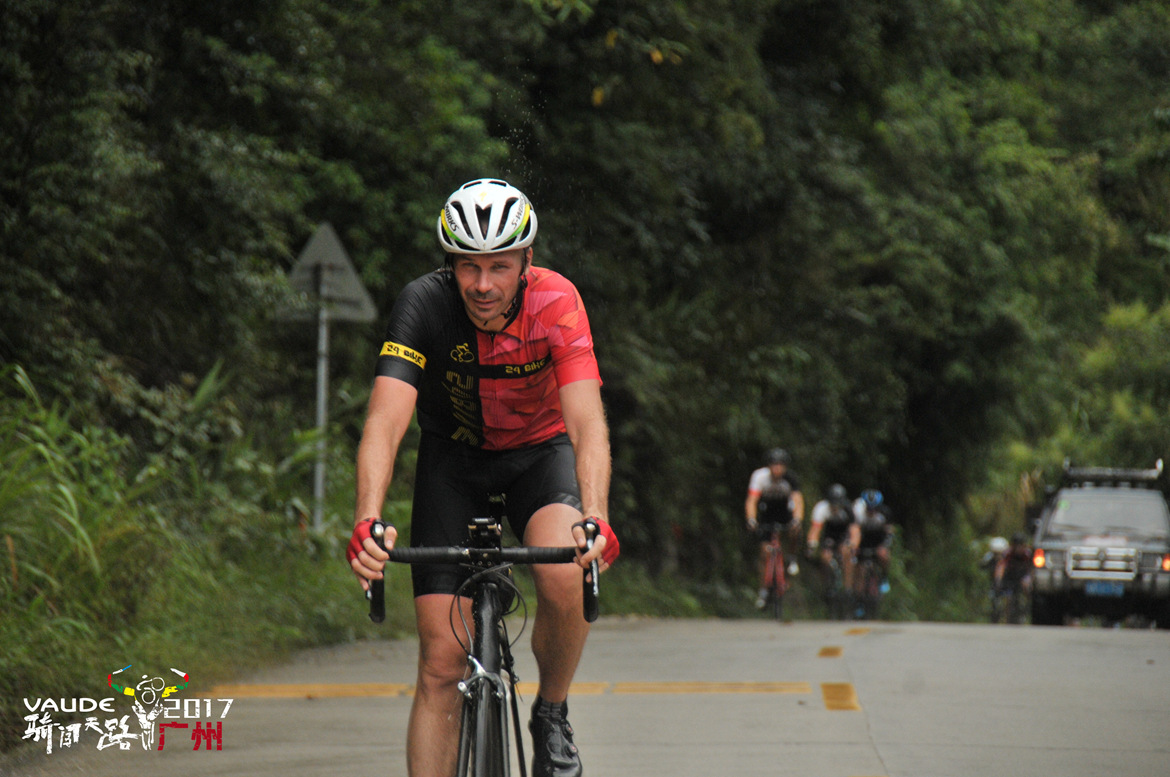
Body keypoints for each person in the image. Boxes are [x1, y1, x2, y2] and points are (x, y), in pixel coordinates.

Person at [346, 178, 619, 777]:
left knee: (564, 570)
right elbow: (385, 421)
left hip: (538, 456)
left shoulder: (557, 302)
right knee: (441, 663)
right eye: (468, 266)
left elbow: (587, 422)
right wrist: (368, 518)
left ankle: (550, 711)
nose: (483, 284)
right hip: (455, 462)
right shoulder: (424, 304)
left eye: (499, 265)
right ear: (451, 265)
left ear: (527, 261)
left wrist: (595, 516)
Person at [744, 447, 804, 607]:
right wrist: (751, 519)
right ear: (768, 466)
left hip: (784, 511)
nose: (777, 468)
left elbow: (798, 501)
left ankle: (792, 557)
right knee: (764, 552)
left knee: (795, 528)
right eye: (774, 465)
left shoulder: (790, 479)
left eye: (780, 465)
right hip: (767, 512)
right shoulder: (760, 477)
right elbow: (752, 500)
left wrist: (797, 520)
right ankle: (763, 591)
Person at [807, 483, 856, 593]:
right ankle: (827, 586)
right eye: (832, 504)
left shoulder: (848, 509)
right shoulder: (821, 508)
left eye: (837, 504)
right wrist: (811, 545)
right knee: (825, 558)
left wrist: (853, 544)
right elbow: (815, 530)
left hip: (843, 534)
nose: (835, 507)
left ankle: (848, 588)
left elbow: (854, 531)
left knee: (846, 552)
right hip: (829, 534)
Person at [852, 488, 893, 597]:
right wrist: (854, 547)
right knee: (859, 570)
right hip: (863, 541)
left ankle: (884, 577)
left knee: (883, 555)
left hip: (878, 540)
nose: (871, 511)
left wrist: (884, 545)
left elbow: (889, 533)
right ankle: (857, 599)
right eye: (869, 508)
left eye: (874, 508)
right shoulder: (858, 513)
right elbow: (854, 532)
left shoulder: (884, 514)